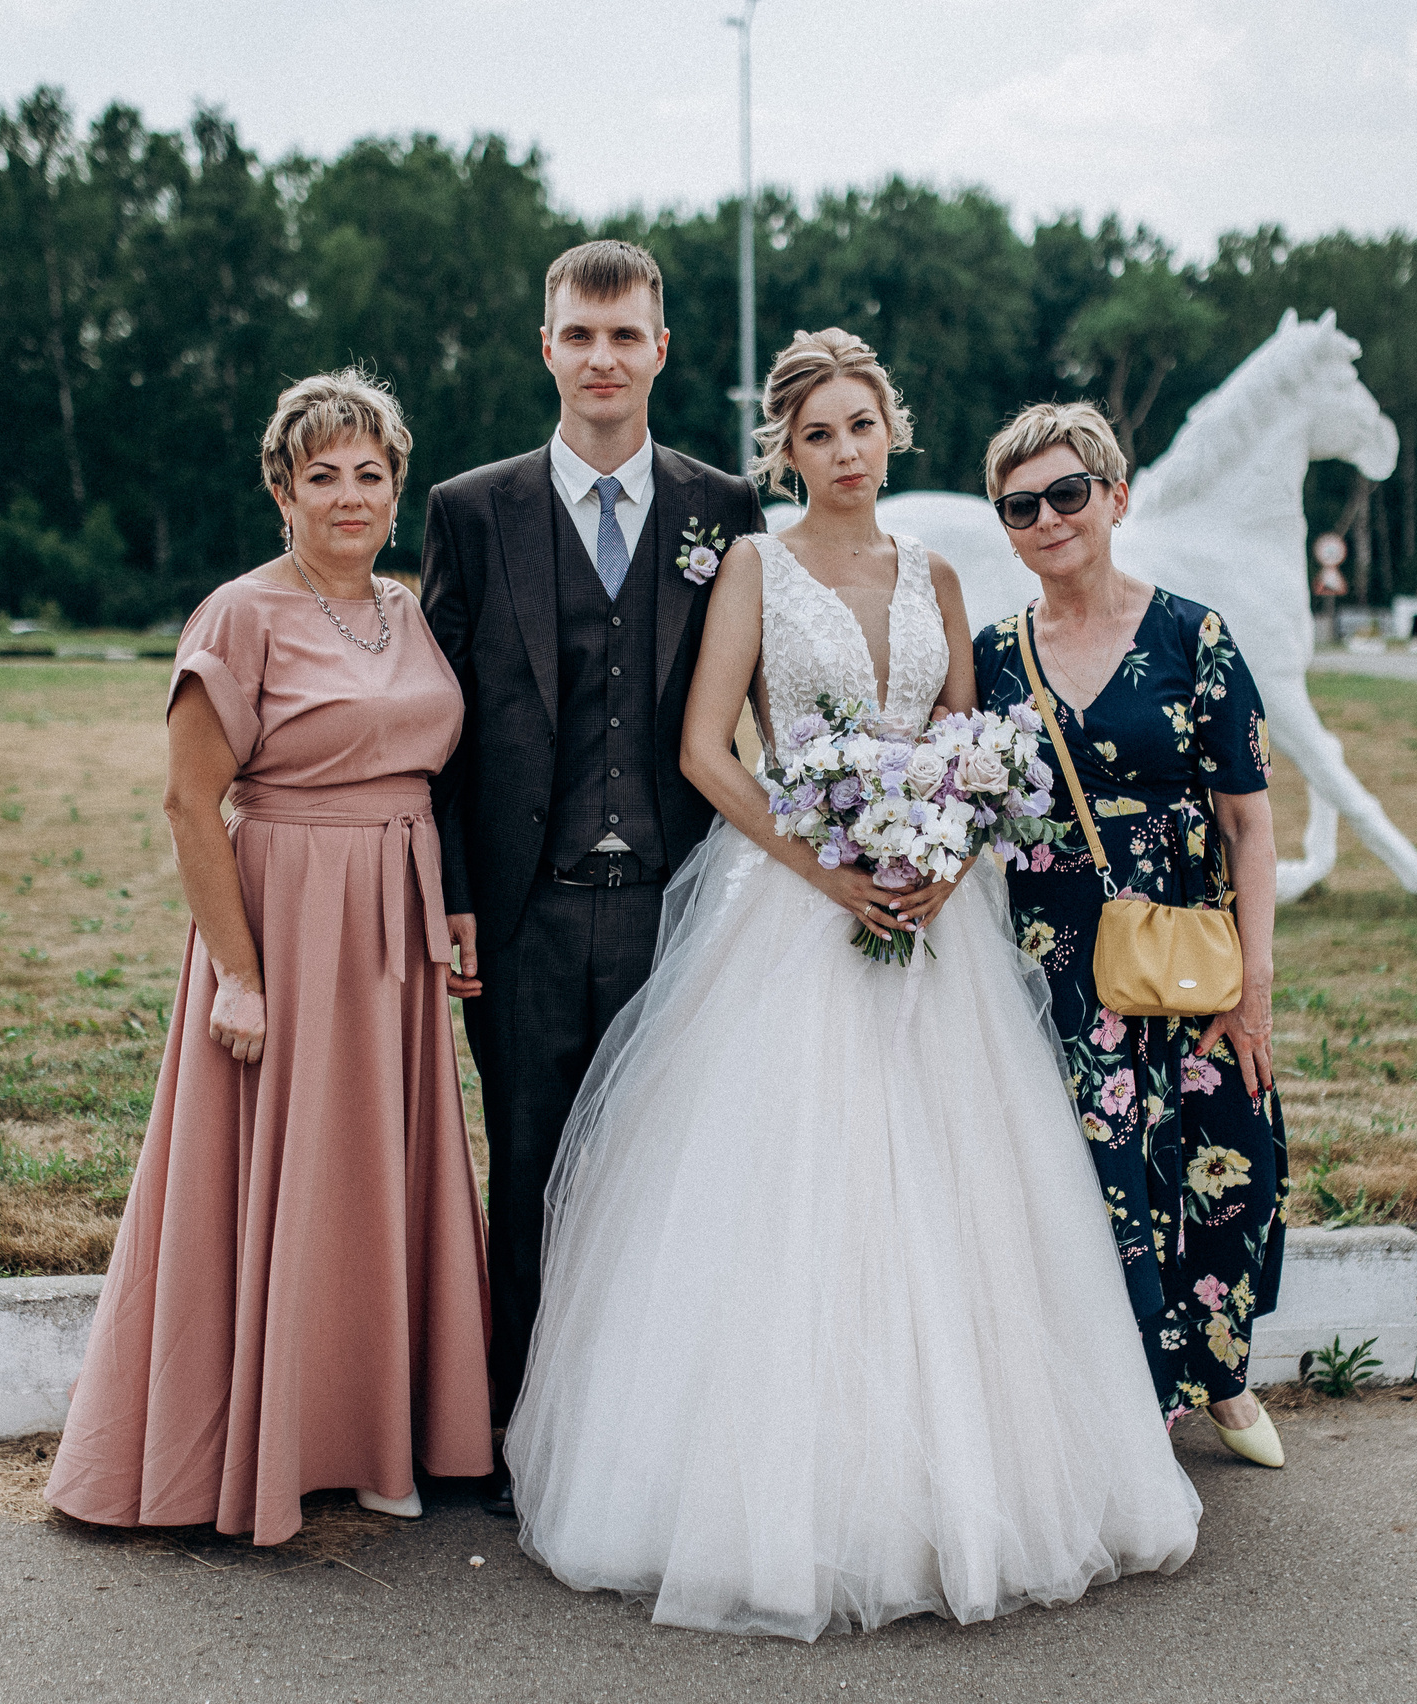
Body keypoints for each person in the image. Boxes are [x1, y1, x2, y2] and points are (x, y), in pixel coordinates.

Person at [502, 330, 1202, 1640]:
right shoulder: (757, 569)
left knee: (961, 1199)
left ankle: (984, 1486)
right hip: (793, 912)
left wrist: (944, 851)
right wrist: (824, 868)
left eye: (860, 426)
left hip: (935, 922)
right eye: (816, 433)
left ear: (893, 433)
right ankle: (788, 1498)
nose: (841, 451)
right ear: (788, 450)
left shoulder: (937, 572)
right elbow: (709, 750)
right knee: (795, 1199)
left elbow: (963, 743)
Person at [45, 369, 494, 1545]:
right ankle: (265, 1449)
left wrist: (446, 903)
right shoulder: (237, 615)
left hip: (392, 924)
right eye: (323, 477)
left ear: (397, 490)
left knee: (371, 1178)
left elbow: (434, 776)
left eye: (371, 475)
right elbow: (193, 807)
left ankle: (377, 1440)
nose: (350, 497)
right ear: (281, 492)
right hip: (286, 919)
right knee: (281, 1177)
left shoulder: (407, 607)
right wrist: (238, 975)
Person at [418, 240, 768, 1498]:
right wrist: (451, 892)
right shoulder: (469, 509)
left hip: (677, 914)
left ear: (660, 349)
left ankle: (647, 1438)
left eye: (625, 337)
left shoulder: (725, 510)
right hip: (522, 915)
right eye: (579, 335)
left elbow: (757, 709)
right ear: (547, 346)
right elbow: (439, 730)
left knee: (662, 1174)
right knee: (529, 1171)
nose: (601, 358)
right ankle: (523, 1440)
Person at [967, 401, 1291, 1468]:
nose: (1048, 518)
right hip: (1055, 958)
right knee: (1104, 1180)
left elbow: (1248, 818)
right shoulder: (994, 654)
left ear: (1114, 495)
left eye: (1067, 493)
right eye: (1021, 505)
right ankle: (1136, 1408)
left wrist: (1254, 983)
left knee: (1226, 1157)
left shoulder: (1193, 635)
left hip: (1189, 942)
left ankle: (1225, 1377)